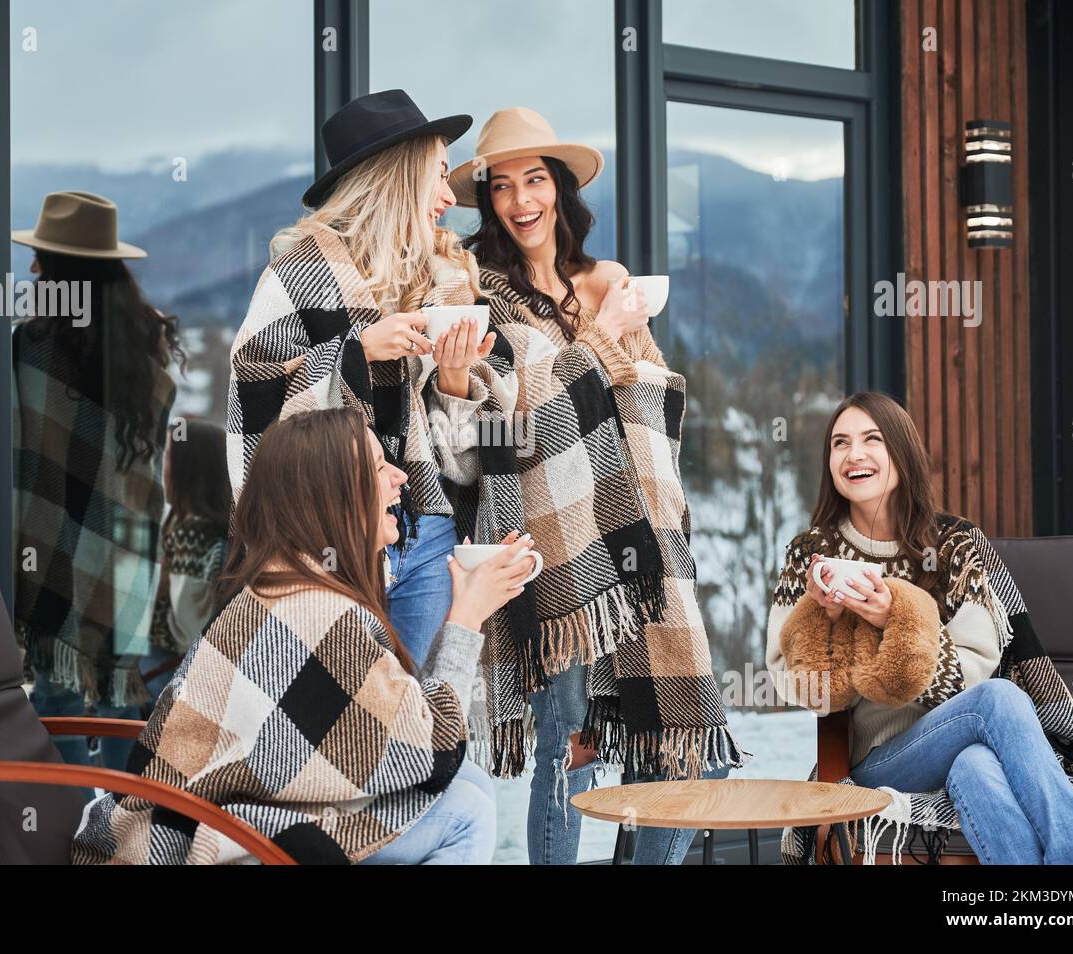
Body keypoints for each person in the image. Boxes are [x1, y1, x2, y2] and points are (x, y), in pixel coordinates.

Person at [447, 108, 743, 865]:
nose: (521, 201)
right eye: (503, 186)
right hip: (558, 538)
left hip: (637, 533)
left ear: (560, 188)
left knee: (681, 740)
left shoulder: (604, 280)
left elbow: (652, 400)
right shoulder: (482, 289)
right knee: (569, 742)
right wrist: (606, 335)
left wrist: (616, 327)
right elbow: (518, 409)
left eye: (535, 180)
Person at [72, 407, 534, 864]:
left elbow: (411, 731)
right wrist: (467, 617)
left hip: (231, 812)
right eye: (378, 467)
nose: (401, 477)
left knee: (470, 780)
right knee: (465, 810)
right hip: (209, 838)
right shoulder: (315, 611)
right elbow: (431, 748)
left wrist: (463, 610)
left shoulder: (294, 584)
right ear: (335, 496)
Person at [767, 391, 1073, 864]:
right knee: (1001, 697)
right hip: (881, 761)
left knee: (977, 767)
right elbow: (794, 682)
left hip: (964, 740)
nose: (855, 455)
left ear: (902, 454)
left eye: (873, 439)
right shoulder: (811, 553)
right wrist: (823, 617)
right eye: (840, 443)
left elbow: (975, 668)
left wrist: (897, 621)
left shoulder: (953, 543)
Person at [227, 89, 497, 668]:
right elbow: (252, 418)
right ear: (398, 179)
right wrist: (355, 353)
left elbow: (464, 464)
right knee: (335, 732)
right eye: (439, 177)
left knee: (422, 720)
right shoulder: (298, 272)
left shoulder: (446, 282)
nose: (451, 197)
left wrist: (453, 379)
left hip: (426, 533)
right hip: (330, 543)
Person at [11, 191, 182, 770]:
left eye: (43, 260)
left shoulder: (31, 349)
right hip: (131, 542)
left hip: (51, 537)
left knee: (56, 698)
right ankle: (124, 833)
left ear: (63, 269)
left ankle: (66, 833)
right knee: (120, 698)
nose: (32, 270)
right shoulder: (147, 349)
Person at [141, 418, 232, 707]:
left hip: (174, 678)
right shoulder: (224, 529)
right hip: (201, 680)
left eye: (167, 459)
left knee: (112, 689)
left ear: (188, 471)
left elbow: (187, 630)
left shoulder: (189, 534)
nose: (161, 468)